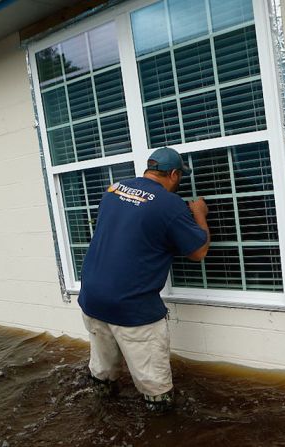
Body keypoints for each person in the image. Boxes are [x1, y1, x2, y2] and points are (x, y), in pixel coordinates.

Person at [77, 146, 210, 411]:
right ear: (173, 174)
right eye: (180, 176)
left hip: (92, 299)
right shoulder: (169, 205)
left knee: (102, 371)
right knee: (155, 387)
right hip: (132, 308)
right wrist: (199, 215)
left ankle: (100, 410)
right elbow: (198, 252)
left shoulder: (113, 190)